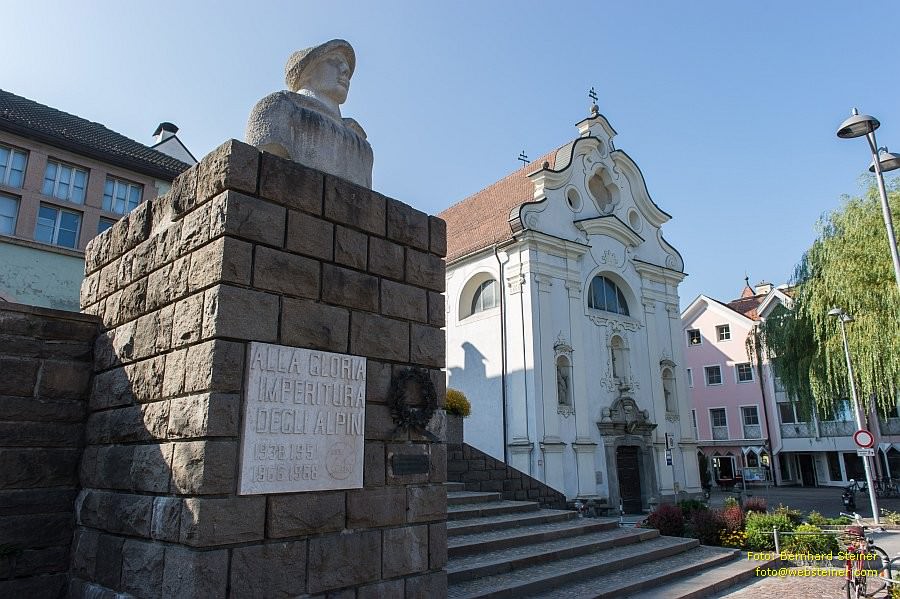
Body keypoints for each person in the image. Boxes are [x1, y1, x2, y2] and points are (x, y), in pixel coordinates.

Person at [245, 39, 374, 188]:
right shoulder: (278, 108)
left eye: (346, 65)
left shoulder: (360, 140)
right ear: (307, 71)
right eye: (334, 60)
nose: (345, 70)